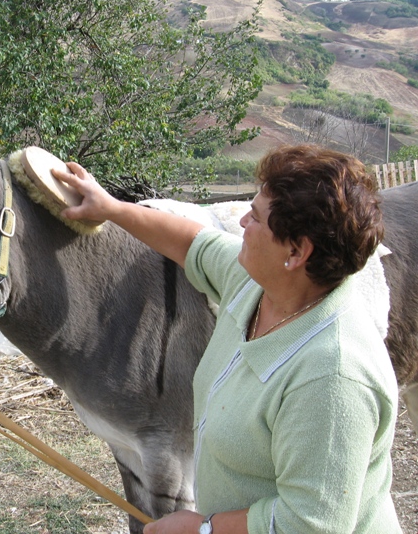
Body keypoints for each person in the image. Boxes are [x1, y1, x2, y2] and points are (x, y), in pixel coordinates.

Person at [52, 145, 402, 534]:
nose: (242, 224)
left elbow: (310, 524)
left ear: (296, 251)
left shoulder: (333, 376)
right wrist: (111, 208)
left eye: (255, 217)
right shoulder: (258, 285)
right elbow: (193, 245)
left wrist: (204, 528)